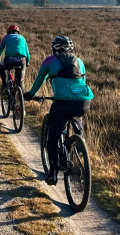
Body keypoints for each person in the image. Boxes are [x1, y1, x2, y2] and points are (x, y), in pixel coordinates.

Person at [24, 36, 94, 185]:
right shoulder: (80, 61)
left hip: (62, 103)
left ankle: (53, 173)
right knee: (76, 115)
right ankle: (79, 140)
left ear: (54, 48)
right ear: (71, 48)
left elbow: (39, 81)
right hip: (84, 102)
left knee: (53, 138)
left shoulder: (49, 61)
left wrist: (30, 95)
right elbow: (83, 83)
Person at [0, 24, 31, 97]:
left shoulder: (6, 37)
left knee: (2, 66)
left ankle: (5, 87)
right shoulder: (22, 38)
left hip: (9, 59)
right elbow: (27, 53)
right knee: (19, 82)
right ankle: (21, 100)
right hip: (22, 60)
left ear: (8, 32)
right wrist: (27, 62)